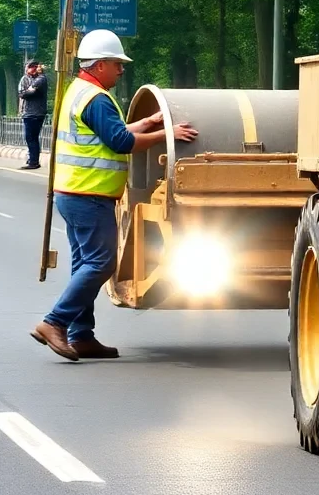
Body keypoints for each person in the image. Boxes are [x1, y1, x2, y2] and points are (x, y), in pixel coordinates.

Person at [31, 29, 198, 361]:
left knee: (84, 263)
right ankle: (55, 322)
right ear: (99, 65)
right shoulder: (96, 99)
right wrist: (168, 134)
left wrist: (149, 121)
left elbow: (115, 132)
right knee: (101, 262)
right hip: (89, 196)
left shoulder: (79, 91)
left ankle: (81, 336)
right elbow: (121, 142)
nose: (121, 70)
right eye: (116, 64)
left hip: (74, 193)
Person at [17, 59, 48, 169]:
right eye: (31, 66)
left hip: (35, 113)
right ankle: (32, 159)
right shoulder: (25, 79)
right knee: (30, 138)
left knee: (31, 138)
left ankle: (34, 161)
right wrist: (29, 91)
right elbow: (22, 94)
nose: (33, 69)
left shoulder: (41, 79)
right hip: (28, 113)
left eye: (35, 66)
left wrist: (30, 90)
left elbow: (31, 91)